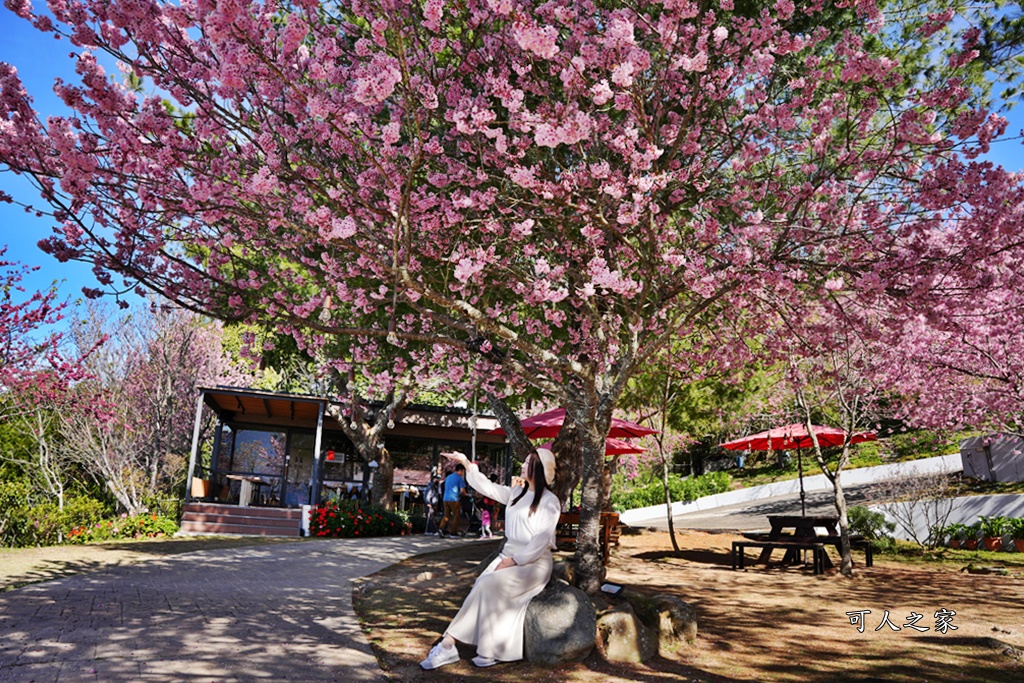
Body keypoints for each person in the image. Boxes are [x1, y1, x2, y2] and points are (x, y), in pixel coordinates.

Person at [420, 448, 560, 670]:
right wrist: (467, 463)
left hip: (533, 564)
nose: (522, 465)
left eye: (527, 462)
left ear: (539, 469)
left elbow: (541, 541)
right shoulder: (517, 493)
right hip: (509, 556)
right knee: (480, 587)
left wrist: (514, 561)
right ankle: (459, 646)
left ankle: (449, 644)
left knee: (486, 583)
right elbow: (487, 487)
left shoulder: (550, 501)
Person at [438, 463, 467, 538]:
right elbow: (462, 491)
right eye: (463, 471)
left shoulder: (448, 477)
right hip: (454, 499)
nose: (463, 473)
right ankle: (453, 532)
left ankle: (441, 528)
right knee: (456, 516)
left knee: (446, 515)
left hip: (445, 498)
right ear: (460, 470)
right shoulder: (459, 478)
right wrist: (466, 495)